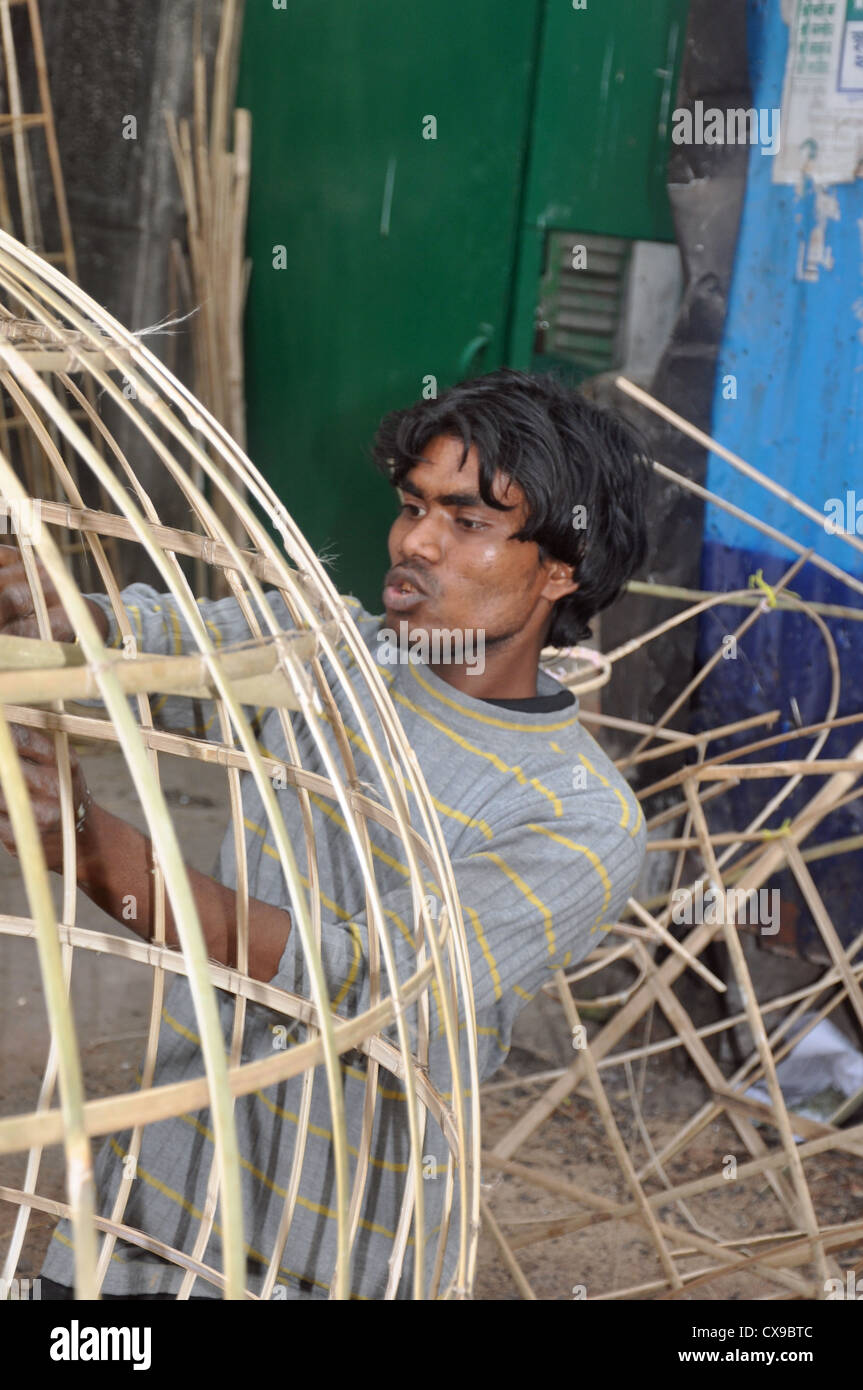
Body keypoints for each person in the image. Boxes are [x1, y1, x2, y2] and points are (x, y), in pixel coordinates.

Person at [0, 368, 649, 1299]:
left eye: (467, 522)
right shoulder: (336, 656)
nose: (415, 542)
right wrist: (59, 618)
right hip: (148, 1211)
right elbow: (163, 640)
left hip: (330, 1256)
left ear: (561, 569)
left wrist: (90, 847)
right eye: (412, 506)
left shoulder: (581, 820)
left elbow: (353, 983)